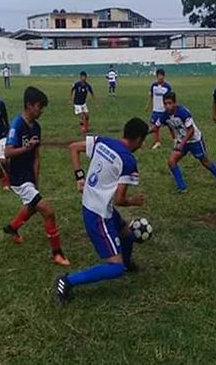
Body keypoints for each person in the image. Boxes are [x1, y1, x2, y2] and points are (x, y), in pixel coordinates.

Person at [54, 118, 149, 305]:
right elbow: (121, 199)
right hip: (98, 214)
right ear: (138, 139)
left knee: (127, 235)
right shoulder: (128, 161)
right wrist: (133, 201)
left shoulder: (103, 141)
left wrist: (79, 177)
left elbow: (73, 147)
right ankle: (67, 281)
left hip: (96, 204)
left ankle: (127, 262)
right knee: (115, 268)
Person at [2, 86, 70, 266]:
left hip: (28, 177)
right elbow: (7, 152)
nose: (41, 111)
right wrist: (26, 148)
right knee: (48, 211)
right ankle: (57, 253)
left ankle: (12, 228)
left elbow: (36, 156)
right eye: (39, 107)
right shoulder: (17, 125)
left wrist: (35, 179)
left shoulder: (36, 127)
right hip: (18, 178)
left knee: (32, 206)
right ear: (29, 105)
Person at [156, 92, 216, 192]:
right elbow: (156, 127)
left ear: (175, 103)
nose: (168, 106)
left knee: (205, 162)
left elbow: (191, 130)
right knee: (171, 161)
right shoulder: (164, 115)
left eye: (170, 103)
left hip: (194, 140)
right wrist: (143, 132)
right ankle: (182, 187)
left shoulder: (183, 112)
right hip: (182, 141)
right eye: (165, 103)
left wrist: (181, 143)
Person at [144, 68, 172, 150]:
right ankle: (157, 142)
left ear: (164, 76)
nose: (160, 77)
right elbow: (151, 96)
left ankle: (175, 139)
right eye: (159, 75)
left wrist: (169, 108)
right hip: (156, 110)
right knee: (155, 126)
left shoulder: (167, 87)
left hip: (164, 110)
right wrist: (148, 106)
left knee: (170, 125)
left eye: (162, 75)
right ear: (156, 76)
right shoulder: (153, 86)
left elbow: (170, 98)